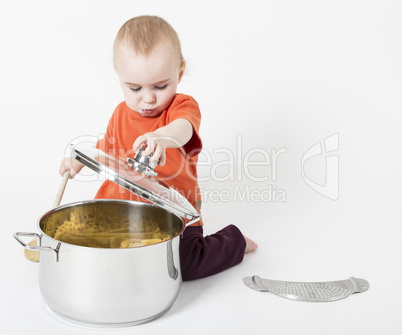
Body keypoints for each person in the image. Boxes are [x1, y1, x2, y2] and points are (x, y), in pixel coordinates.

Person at [60, 15, 257, 280]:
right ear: (119, 76)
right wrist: (78, 161)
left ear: (179, 72)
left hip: (173, 215)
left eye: (160, 86)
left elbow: (183, 128)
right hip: (119, 208)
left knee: (186, 265)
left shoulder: (182, 107)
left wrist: (162, 137)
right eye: (135, 88)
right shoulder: (120, 113)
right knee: (93, 248)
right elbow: (106, 148)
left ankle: (234, 241)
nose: (148, 98)